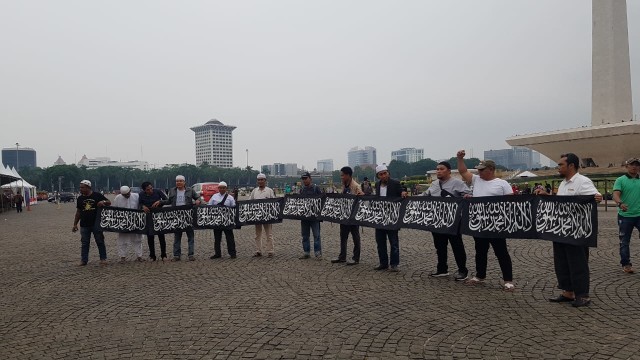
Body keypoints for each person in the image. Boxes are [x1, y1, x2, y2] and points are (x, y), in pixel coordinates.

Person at [535, 153, 602, 307]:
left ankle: (582, 295)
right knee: (562, 262)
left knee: (577, 262)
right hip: (561, 230)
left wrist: (597, 197)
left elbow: (594, 197)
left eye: (561, 165)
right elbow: (561, 205)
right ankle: (568, 292)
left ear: (571, 165)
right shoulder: (564, 183)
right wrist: (548, 196)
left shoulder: (583, 181)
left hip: (577, 231)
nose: (558, 167)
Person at [457, 151, 515, 291]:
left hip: (497, 224)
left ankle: (508, 279)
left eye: (482, 170)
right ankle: (480, 275)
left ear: (491, 170)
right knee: (480, 251)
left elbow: (511, 203)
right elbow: (463, 171)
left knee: (501, 252)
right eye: (479, 170)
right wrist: (460, 158)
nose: (480, 172)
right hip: (480, 223)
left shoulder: (502, 184)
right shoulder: (476, 180)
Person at [421, 161, 471, 280]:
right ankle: (442, 269)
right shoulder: (434, 184)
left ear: (449, 171)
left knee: (457, 246)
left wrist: (466, 197)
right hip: (437, 220)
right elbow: (424, 195)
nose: (438, 171)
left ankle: (462, 270)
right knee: (440, 246)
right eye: (437, 169)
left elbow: (468, 194)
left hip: (453, 221)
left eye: (441, 169)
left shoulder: (457, 183)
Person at [373, 165, 407, 271]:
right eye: (381, 174)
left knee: (394, 242)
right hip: (380, 218)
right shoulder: (377, 185)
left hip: (392, 218)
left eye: (385, 173)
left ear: (388, 173)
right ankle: (383, 263)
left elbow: (401, 191)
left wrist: (403, 193)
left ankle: (394, 264)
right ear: (378, 176)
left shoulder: (395, 183)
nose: (383, 176)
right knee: (380, 242)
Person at [160, 175, 201, 261]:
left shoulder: (190, 190)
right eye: (177, 181)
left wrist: (198, 200)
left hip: (188, 216)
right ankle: (176, 255)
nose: (178, 183)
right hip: (176, 216)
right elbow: (169, 201)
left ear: (184, 182)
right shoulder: (172, 190)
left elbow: (198, 197)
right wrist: (160, 202)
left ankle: (191, 254)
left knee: (190, 237)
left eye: (180, 181)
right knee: (177, 237)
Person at [72, 180, 111, 266]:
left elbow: (109, 202)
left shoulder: (97, 195)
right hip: (84, 224)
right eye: (80, 187)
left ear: (88, 187)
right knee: (85, 243)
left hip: (96, 224)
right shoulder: (80, 198)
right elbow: (78, 212)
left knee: (100, 241)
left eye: (82, 187)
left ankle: (103, 258)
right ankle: (84, 260)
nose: (80, 189)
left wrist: (103, 202)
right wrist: (75, 224)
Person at [612, 158, 640, 274]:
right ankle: (626, 264)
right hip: (625, 216)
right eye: (632, 165)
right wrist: (620, 203)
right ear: (627, 166)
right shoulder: (620, 180)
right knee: (624, 241)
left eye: (637, 165)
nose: (634, 167)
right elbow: (615, 194)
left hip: (639, 215)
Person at [331, 166, 364, 265]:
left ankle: (356, 258)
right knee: (343, 237)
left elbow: (361, 198)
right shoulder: (344, 185)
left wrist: (361, 194)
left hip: (353, 217)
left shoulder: (356, 186)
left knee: (355, 237)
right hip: (344, 215)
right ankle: (342, 256)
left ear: (348, 175)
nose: (341, 177)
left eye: (342, 175)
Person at [113, 186, 144, 263]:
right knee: (122, 240)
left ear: (130, 191)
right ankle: (122, 257)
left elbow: (141, 206)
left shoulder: (136, 196)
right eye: (125, 195)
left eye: (128, 194)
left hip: (135, 221)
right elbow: (115, 210)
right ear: (121, 194)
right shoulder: (117, 198)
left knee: (138, 240)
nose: (127, 196)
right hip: (123, 223)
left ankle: (139, 256)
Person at [139, 181, 168, 261]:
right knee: (150, 237)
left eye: (151, 188)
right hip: (148, 217)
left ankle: (163, 254)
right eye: (148, 189)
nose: (150, 190)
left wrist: (160, 202)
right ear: (144, 190)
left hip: (159, 216)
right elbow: (139, 203)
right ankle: (152, 255)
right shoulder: (141, 194)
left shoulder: (158, 191)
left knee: (161, 236)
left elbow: (167, 200)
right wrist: (143, 206)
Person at [208, 181, 237, 259]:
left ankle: (232, 253)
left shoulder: (230, 198)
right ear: (218, 188)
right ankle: (217, 253)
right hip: (217, 221)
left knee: (229, 237)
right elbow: (209, 207)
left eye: (223, 188)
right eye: (220, 188)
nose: (222, 189)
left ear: (226, 188)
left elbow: (234, 208)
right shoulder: (214, 196)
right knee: (217, 238)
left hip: (227, 221)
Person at [298, 172, 323, 260]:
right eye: (303, 179)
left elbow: (321, 201)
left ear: (310, 178)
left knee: (316, 235)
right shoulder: (301, 189)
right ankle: (306, 252)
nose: (304, 180)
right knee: (305, 235)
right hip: (304, 217)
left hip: (314, 217)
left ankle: (318, 253)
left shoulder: (316, 188)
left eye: (306, 178)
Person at [250, 173, 276, 257]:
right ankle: (258, 250)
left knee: (269, 234)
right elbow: (250, 202)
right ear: (257, 181)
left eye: (262, 180)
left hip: (267, 216)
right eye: (259, 180)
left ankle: (270, 251)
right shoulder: (254, 191)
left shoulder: (269, 190)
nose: (260, 181)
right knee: (257, 234)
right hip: (257, 216)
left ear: (265, 181)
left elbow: (274, 202)